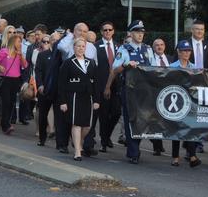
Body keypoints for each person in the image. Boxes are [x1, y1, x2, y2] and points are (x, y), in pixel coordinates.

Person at [104, 20, 153, 164]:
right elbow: (115, 69)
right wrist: (126, 65)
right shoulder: (124, 49)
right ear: (131, 34)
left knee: (142, 120)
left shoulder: (147, 49)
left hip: (144, 91)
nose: (140, 35)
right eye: (137, 32)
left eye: (142, 32)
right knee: (130, 119)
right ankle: (133, 152)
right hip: (129, 90)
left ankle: (135, 148)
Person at [58, 38, 100, 161]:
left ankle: (78, 141)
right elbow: (61, 83)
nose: (80, 48)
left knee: (87, 126)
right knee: (76, 124)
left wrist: (97, 100)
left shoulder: (91, 62)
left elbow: (96, 83)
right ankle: (77, 151)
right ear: (74, 47)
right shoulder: (68, 63)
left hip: (88, 97)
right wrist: (63, 101)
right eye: (78, 46)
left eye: (83, 46)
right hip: (74, 96)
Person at [168, 40, 202, 168]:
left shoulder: (195, 68)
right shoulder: (172, 67)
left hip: (191, 102)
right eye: (184, 51)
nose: (186, 53)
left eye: (188, 51)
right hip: (176, 101)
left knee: (191, 129)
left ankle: (192, 156)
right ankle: (175, 157)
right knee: (177, 130)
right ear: (178, 52)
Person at [0, 32, 28, 135]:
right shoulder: (4, 51)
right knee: (6, 102)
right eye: (18, 41)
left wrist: (21, 56)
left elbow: (25, 65)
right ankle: (6, 125)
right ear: (13, 42)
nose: (20, 43)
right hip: (5, 79)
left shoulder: (19, 54)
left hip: (15, 80)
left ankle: (6, 123)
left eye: (21, 41)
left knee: (12, 102)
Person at [92, 22, 120, 153]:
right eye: (105, 30)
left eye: (110, 30)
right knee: (103, 114)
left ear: (113, 31)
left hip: (116, 85)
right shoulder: (95, 46)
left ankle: (107, 135)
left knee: (116, 113)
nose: (108, 32)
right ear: (101, 32)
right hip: (102, 84)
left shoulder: (119, 46)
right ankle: (103, 141)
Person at [34, 34, 55, 146]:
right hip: (45, 90)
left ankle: (61, 143)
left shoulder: (62, 56)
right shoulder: (42, 55)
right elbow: (38, 71)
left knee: (60, 116)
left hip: (57, 91)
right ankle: (42, 138)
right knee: (43, 114)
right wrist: (40, 85)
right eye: (54, 40)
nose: (55, 42)